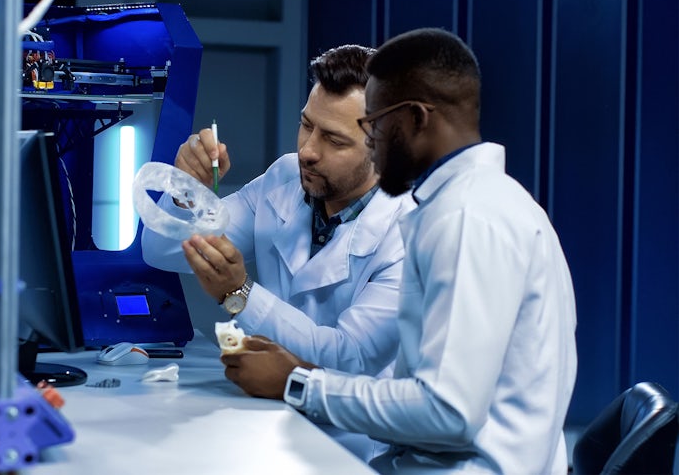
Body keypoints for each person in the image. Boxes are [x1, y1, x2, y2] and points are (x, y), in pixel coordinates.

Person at [221, 27, 578, 474]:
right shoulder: (469, 204)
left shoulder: (467, 219)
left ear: (415, 119)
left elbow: (449, 413)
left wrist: (299, 383)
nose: (369, 144)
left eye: (373, 124)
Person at [141, 44, 413, 460]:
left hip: (355, 447)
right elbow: (161, 251)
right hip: (266, 420)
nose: (308, 149)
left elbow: (347, 358)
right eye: (307, 126)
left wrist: (241, 293)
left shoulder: (409, 232)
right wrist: (186, 191)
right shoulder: (286, 178)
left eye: (334, 140)